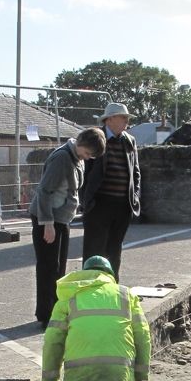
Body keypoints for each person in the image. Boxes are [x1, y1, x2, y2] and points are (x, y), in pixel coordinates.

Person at [29, 127, 106, 328]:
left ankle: (56, 310)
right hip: (49, 218)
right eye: (88, 153)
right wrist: (47, 224)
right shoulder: (63, 158)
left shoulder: (76, 158)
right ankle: (47, 315)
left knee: (59, 269)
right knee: (48, 267)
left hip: (61, 219)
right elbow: (45, 191)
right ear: (81, 144)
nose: (88, 158)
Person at [81, 102, 141, 279]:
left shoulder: (129, 141)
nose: (126, 122)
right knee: (94, 251)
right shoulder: (95, 137)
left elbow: (136, 172)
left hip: (123, 205)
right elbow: (84, 169)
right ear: (111, 119)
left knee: (114, 250)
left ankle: (112, 290)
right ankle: (90, 289)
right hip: (99, 204)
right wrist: (86, 200)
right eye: (123, 118)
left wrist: (135, 197)